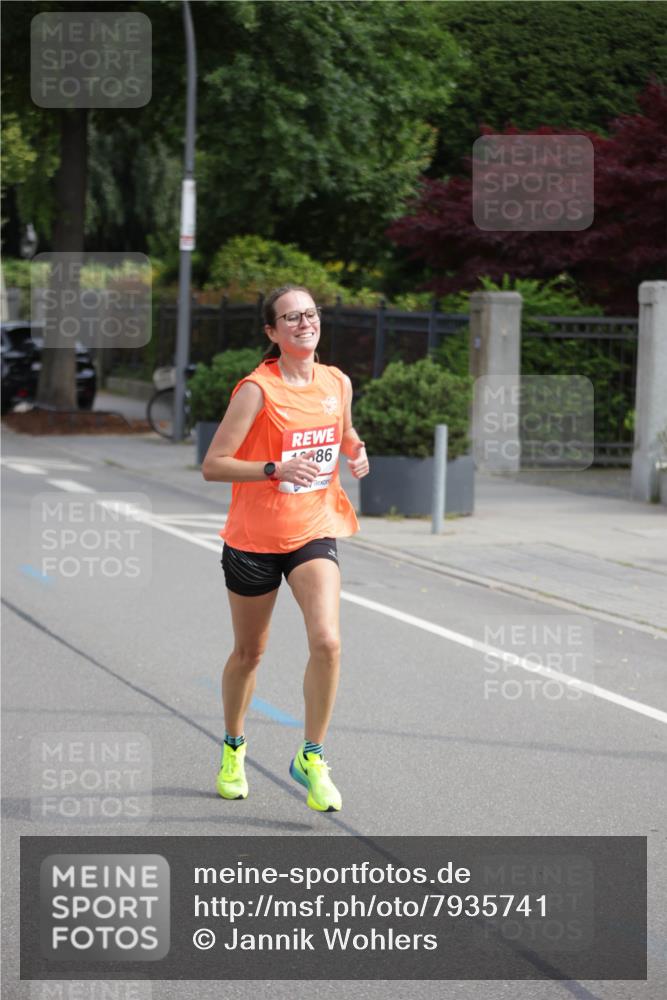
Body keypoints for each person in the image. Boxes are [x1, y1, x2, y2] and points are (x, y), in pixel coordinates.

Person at [201, 285, 369, 812]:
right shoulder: (256, 389)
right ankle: (233, 747)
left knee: (328, 641)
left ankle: (312, 755)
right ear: (272, 332)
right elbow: (213, 464)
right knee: (250, 653)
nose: (304, 323)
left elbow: (341, 431)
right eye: (290, 318)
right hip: (253, 539)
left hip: (313, 527)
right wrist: (273, 468)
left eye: (310, 314)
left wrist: (356, 448)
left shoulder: (336, 381)